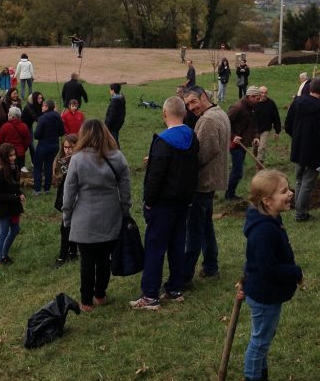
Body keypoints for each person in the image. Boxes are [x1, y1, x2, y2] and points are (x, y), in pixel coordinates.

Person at [130, 96, 199, 310]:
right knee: (177, 244)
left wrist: (149, 202)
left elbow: (155, 177)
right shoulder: (192, 137)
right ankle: (175, 287)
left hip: (162, 203)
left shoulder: (163, 141)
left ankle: (150, 295)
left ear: (164, 114)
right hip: (183, 200)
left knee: (155, 247)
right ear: (185, 113)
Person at [240, 169, 302, 381]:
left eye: (289, 189)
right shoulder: (263, 230)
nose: (290, 194)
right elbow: (267, 267)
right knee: (260, 341)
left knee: (264, 338)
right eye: (284, 191)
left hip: (269, 293)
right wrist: (295, 272)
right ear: (266, 200)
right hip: (265, 294)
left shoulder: (270, 218)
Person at [61, 120, 132, 312]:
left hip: (85, 215)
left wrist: (66, 216)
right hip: (110, 213)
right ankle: (100, 294)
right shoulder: (117, 157)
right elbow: (125, 189)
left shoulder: (77, 159)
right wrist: (125, 210)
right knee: (104, 258)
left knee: (87, 260)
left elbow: (69, 192)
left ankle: (86, 301)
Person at [181, 86, 231, 285]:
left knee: (193, 231)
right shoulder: (219, 112)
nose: (191, 107)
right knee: (205, 226)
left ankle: (184, 278)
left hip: (203, 182)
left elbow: (203, 154)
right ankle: (211, 266)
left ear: (204, 97)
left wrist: (180, 162)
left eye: (194, 101)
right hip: (211, 182)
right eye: (187, 105)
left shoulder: (208, 120)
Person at [285, 78, 320, 223]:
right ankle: (300, 213)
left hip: (299, 148)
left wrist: (298, 137)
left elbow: (288, 125)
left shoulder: (297, 103)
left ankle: (299, 212)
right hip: (314, 151)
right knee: (307, 182)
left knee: (299, 181)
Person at [0, 143, 26, 266]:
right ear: (4, 157)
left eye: (14, 155)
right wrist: (15, 198)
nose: (13, 158)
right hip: (3, 207)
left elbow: (14, 185)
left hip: (12, 205)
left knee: (15, 229)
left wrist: (20, 193)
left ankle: (4, 254)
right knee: (3, 231)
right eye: (10, 156)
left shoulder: (13, 167)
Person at [225, 86, 262, 200]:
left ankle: (230, 193)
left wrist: (256, 136)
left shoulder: (252, 107)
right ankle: (229, 195)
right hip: (236, 144)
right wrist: (233, 136)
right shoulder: (237, 107)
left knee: (238, 170)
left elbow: (254, 123)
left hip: (244, 143)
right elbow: (225, 124)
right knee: (238, 171)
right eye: (257, 98)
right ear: (251, 97)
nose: (259, 100)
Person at [53, 134, 80, 265]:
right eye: (65, 147)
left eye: (70, 147)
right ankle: (72, 252)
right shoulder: (64, 160)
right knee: (68, 225)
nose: (67, 150)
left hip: (74, 197)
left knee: (66, 226)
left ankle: (63, 255)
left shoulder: (79, 160)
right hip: (65, 194)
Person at [33, 99, 65, 195]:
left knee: (38, 166)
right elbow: (62, 132)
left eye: (43, 105)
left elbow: (37, 135)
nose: (42, 107)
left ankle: (37, 189)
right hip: (54, 145)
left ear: (47, 107)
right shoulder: (58, 116)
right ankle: (47, 188)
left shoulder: (42, 118)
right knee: (48, 166)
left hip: (43, 145)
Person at [0, 106, 32, 171]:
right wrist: (23, 149)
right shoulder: (24, 126)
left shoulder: (5, 126)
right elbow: (27, 141)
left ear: (12, 116)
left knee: (7, 172)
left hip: (7, 153)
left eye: (9, 113)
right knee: (18, 172)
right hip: (20, 154)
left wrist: (2, 150)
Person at [253, 86, 282, 164]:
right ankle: (257, 161)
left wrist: (277, 131)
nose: (264, 94)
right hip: (255, 129)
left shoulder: (271, 103)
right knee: (255, 148)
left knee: (261, 148)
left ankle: (259, 166)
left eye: (265, 93)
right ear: (259, 93)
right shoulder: (254, 103)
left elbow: (276, 117)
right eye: (262, 93)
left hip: (265, 129)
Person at [22, 91, 45, 165]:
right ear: (35, 99)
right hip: (23, 127)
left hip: (29, 126)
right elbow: (36, 118)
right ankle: (27, 163)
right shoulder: (29, 107)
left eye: (41, 98)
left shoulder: (38, 105)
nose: (40, 100)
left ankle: (34, 162)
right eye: (39, 98)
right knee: (29, 144)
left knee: (31, 144)